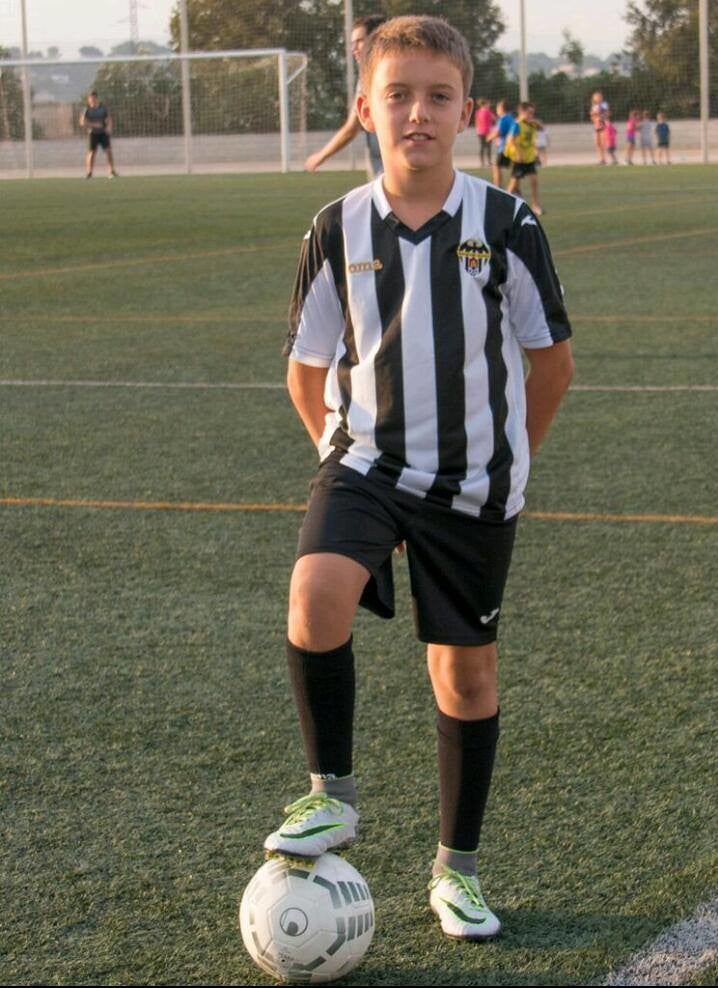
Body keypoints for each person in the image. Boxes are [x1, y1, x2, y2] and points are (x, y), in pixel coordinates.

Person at [266, 14, 573, 943]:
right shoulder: (337, 227)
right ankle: (332, 793)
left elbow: (551, 362)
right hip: (365, 462)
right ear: (365, 110)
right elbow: (306, 367)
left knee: (465, 677)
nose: (418, 113)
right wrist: (335, 456)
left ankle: (456, 872)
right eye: (397, 95)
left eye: (438, 96)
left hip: (474, 486)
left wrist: (510, 457)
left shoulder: (508, 223)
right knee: (314, 594)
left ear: (466, 112)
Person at [304, 14, 386, 178]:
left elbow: (352, 128)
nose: (353, 48)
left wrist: (321, 156)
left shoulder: (387, 74)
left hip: (395, 168)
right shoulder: (366, 76)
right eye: (352, 43)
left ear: (376, 40)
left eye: (359, 41)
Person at [505, 101, 544, 215]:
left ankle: (535, 205)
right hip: (519, 159)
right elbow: (511, 140)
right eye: (529, 113)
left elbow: (542, 128)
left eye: (533, 113)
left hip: (529, 158)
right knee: (513, 184)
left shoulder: (532, 124)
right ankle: (503, 206)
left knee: (534, 181)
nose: (531, 115)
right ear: (522, 112)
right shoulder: (517, 125)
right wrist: (518, 154)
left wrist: (536, 122)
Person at [80, 91, 117, 178]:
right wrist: (94, 125)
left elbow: (109, 118)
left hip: (103, 133)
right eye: (90, 98)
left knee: (108, 151)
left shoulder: (103, 108)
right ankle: (89, 172)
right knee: (92, 152)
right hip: (92, 133)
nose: (92, 100)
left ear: (96, 98)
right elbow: (82, 122)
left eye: (94, 98)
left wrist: (109, 127)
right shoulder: (86, 109)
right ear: (88, 99)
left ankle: (111, 171)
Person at [486, 99, 516, 189]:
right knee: (513, 168)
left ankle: (497, 187)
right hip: (511, 147)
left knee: (496, 166)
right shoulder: (511, 118)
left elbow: (498, 132)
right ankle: (515, 188)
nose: (497, 110)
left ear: (501, 109)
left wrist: (489, 137)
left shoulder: (503, 119)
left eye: (497, 108)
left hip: (504, 147)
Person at [474, 98, 495, 168]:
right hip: (488, 131)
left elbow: (476, 121)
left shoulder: (478, 112)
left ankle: (482, 162)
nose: (489, 105)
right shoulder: (488, 111)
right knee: (488, 147)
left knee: (482, 147)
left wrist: (477, 129)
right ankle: (489, 162)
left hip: (480, 131)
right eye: (488, 104)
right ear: (485, 104)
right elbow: (493, 118)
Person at [589, 90, 608, 164]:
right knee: (597, 143)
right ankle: (601, 159)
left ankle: (604, 159)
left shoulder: (604, 105)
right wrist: (594, 117)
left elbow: (606, 113)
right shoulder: (594, 106)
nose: (597, 98)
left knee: (603, 143)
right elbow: (592, 116)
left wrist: (601, 117)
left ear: (601, 98)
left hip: (603, 125)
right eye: (595, 97)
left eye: (598, 97)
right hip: (596, 126)